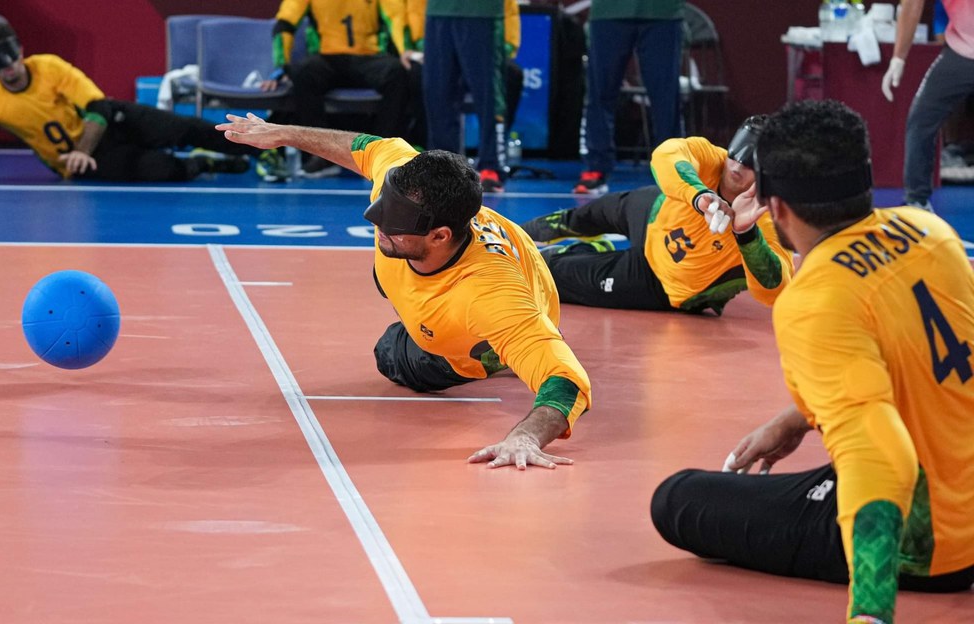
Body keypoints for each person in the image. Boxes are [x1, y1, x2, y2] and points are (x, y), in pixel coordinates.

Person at [651, 100, 974, 623]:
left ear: (775, 208)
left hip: (931, 544)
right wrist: (796, 418)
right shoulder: (929, 232)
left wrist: (870, 611)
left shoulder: (813, 299)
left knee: (679, 500)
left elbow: (881, 454)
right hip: (958, 467)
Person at [218, 113, 592, 469]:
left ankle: (506, 354)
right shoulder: (405, 182)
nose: (376, 222)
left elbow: (568, 380)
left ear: (440, 235)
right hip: (516, 261)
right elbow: (369, 146)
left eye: (393, 224)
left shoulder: (491, 298)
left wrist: (526, 436)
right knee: (387, 272)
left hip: (482, 332)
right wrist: (283, 133)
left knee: (390, 352)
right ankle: (562, 255)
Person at [0, 19, 286, 184]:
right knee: (163, 171)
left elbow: (98, 108)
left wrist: (82, 148)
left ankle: (267, 150)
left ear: (20, 49)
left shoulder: (49, 67)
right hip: (84, 164)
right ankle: (204, 163)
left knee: (184, 128)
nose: (7, 67)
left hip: (108, 123)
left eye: (8, 55)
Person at [521, 116, 794, 314]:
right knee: (578, 217)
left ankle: (579, 253)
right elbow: (666, 154)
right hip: (653, 212)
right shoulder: (713, 158)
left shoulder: (768, 216)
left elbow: (774, 289)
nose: (737, 164)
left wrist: (746, 234)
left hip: (661, 282)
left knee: (552, 272)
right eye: (737, 152)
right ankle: (511, 237)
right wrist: (701, 196)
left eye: (751, 162)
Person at [263, 0, 410, 179]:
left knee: (397, 72)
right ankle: (319, 155)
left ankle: (381, 154)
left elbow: (396, 18)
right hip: (328, 57)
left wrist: (405, 51)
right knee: (303, 72)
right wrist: (281, 65)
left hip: (368, 57)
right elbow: (285, 22)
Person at [575, 0, 685, 196]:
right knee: (600, 92)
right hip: (609, 10)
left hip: (662, 11)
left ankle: (674, 167)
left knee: (665, 96)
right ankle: (596, 168)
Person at [882, 0, 974, 212]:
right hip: (961, 52)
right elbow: (912, 5)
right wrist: (898, 58)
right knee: (921, 119)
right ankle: (917, 202)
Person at [398, 0, 525, 151]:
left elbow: (510, 13)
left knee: (496, 88)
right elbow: (408, 10)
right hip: (436, 23)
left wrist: (504, 48)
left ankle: (491, 162)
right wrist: (412, 46)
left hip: (483, 16)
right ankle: (443, 163)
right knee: (434, 91)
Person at [421, 0, 513, 193]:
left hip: (481, 12)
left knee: (488, 93)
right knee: (438, 93)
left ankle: (491, 164)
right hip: (438, 11)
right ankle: (443, 167)